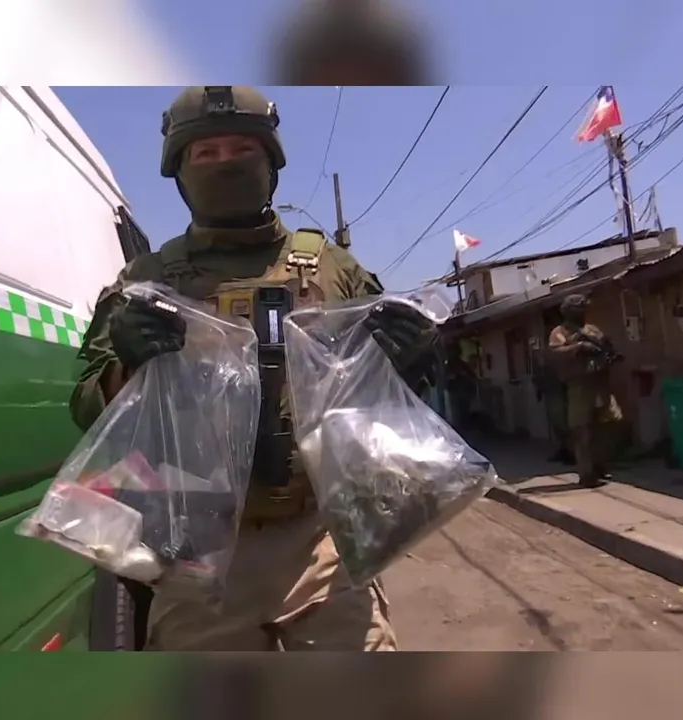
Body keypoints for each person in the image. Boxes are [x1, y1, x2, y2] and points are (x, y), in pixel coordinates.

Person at [70, 86, 438, 651]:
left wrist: (410, 361)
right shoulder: (146, 281)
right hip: (196, 550)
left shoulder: (334, 268)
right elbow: (86, 410)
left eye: (242, 149)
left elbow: (385, 402)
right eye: (205, 153)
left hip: (320, 540)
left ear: (271, 163)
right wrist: (128, 365)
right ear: (179, 172)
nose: (226, 164)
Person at [548, 294, 622, 487]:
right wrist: (579, 347)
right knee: (582, 429)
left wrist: (610, 355)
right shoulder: (560, 332)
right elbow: (555, 352)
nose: (583, 311)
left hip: (599, 381)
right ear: (568, 311)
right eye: (578, 308)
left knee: (611, 422)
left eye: (583, 308)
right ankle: (587, 474)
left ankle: (600, 464)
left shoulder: (592, 329)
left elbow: (606, 347)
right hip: (579, 384)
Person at [529, 339, 573, 464]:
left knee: (564, 424)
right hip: (550, 393)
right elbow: (537, 377)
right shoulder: (541, 363)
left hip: (560, 394)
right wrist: (539, 390)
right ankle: (563, 449)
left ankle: (571, 452)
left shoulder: (558, 361)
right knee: (556, 425)